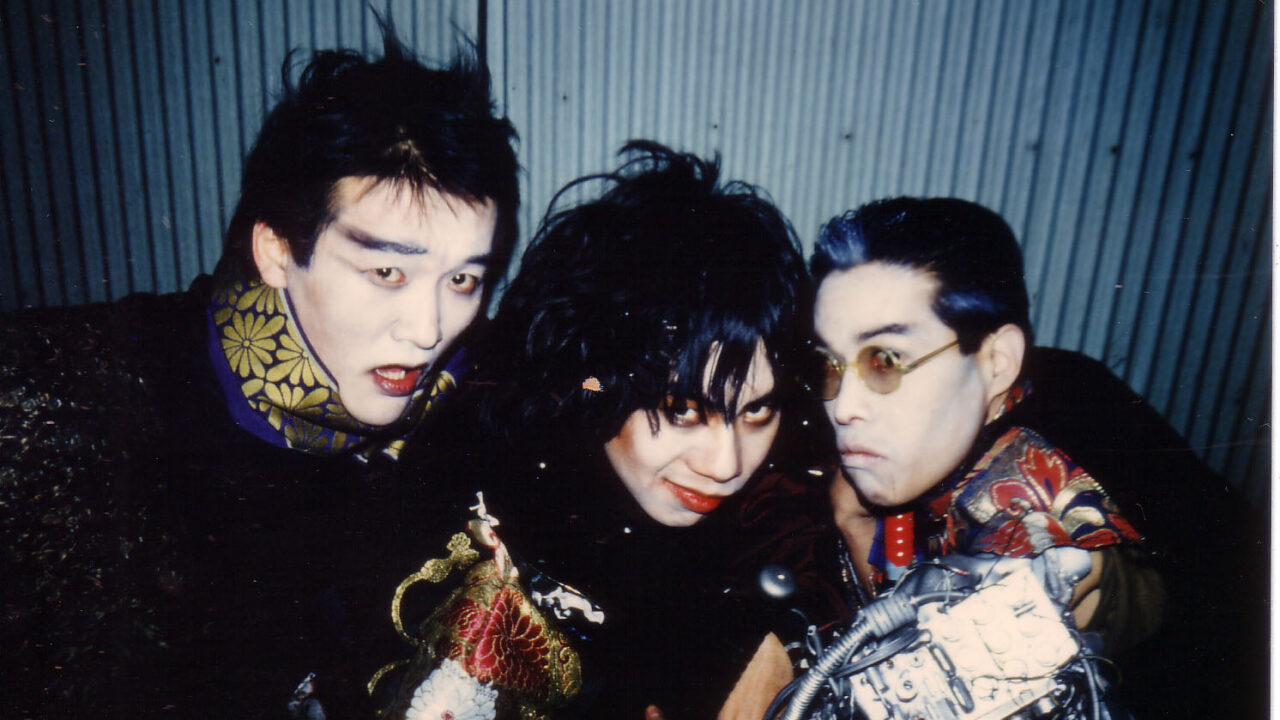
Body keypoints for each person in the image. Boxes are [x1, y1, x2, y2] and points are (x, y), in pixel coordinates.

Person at [0, 24, 518, 719]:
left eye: (462, 280)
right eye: (386, 272)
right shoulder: (61, 412)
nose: (427, 332)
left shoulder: (465, 398)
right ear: (275, 251)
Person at [384, 142, 846, 720]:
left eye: (756, 412)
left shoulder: (789, 464)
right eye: (683, 410)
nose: (726, 464)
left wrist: (780, 638)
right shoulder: (471, 452)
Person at [808, 197, 1265, 718]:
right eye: (829, 364)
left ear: (998, 362)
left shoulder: (1023, 518)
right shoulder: (1053, 381)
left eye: (886, 360)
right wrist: (855, 521)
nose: (843, 407)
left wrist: (854, 525)